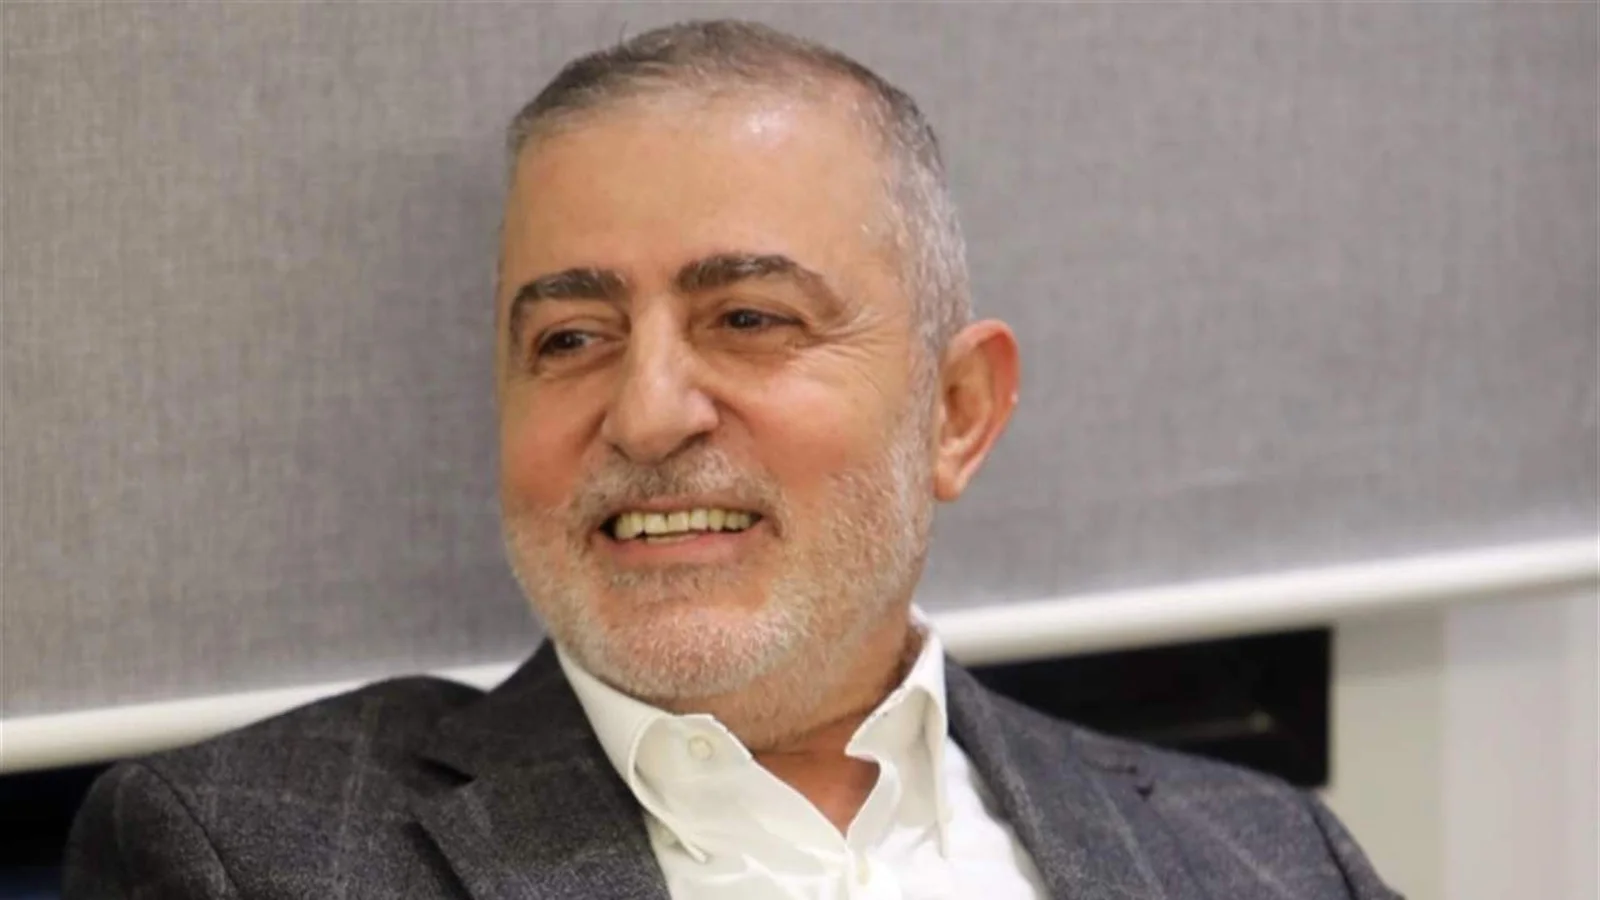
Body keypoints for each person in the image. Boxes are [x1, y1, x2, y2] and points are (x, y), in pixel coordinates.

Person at [64, 20, 1396, 900]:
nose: (647, 415)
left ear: (955, 412)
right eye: (571, 338)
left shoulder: (1268, 859)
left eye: (749, 320)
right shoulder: (249, 856)